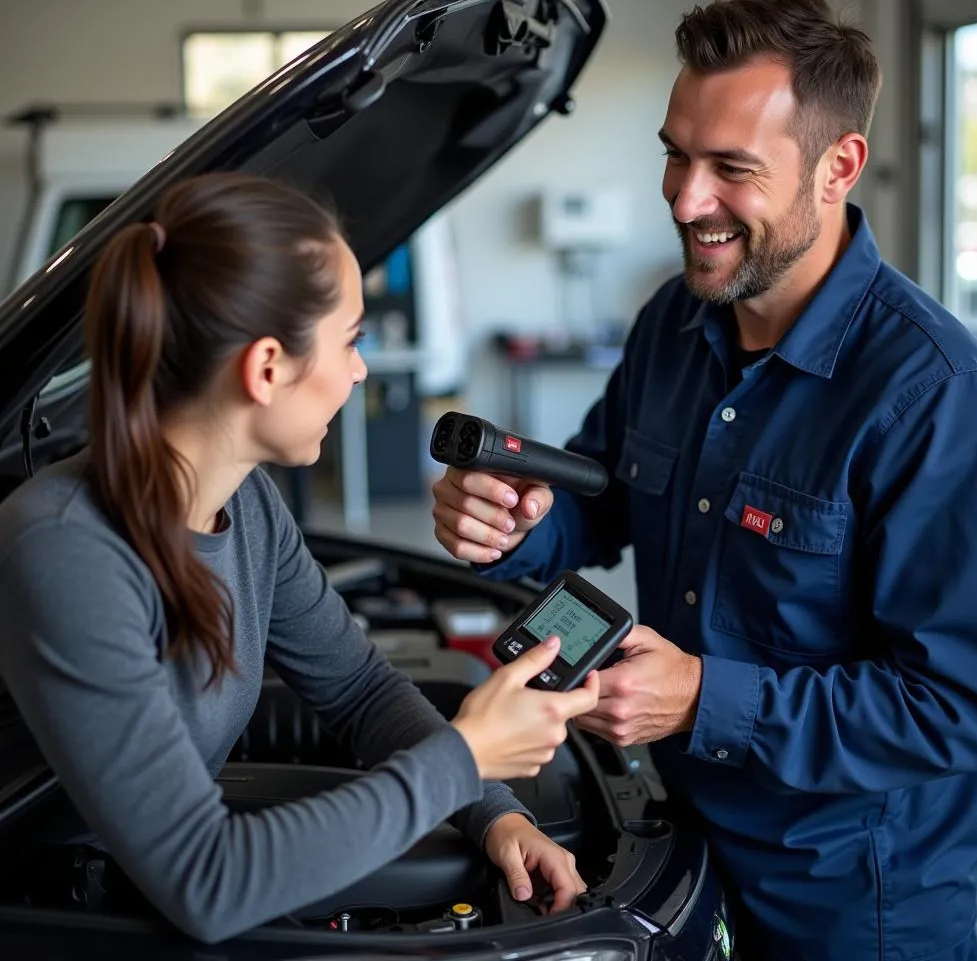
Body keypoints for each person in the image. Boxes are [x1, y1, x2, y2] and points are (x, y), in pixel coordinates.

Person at [431, 0, 977, 961]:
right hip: (674, 843)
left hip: (850, 904)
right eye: (674, 152)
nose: (682, 196)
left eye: (729, 168)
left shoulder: (934, 396)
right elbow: (598, 503)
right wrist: (514, 522)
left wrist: (707, 697)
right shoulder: (673, 323)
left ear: (839, 167)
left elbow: (955, 707)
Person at [0, 172, 600, 944]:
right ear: (268, 366)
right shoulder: (66, 550)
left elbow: (356, 688)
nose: (359, 369)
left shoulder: (244, 503)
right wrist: (465, 754)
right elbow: (205, 881)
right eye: (350, 339)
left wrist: (493, 814)